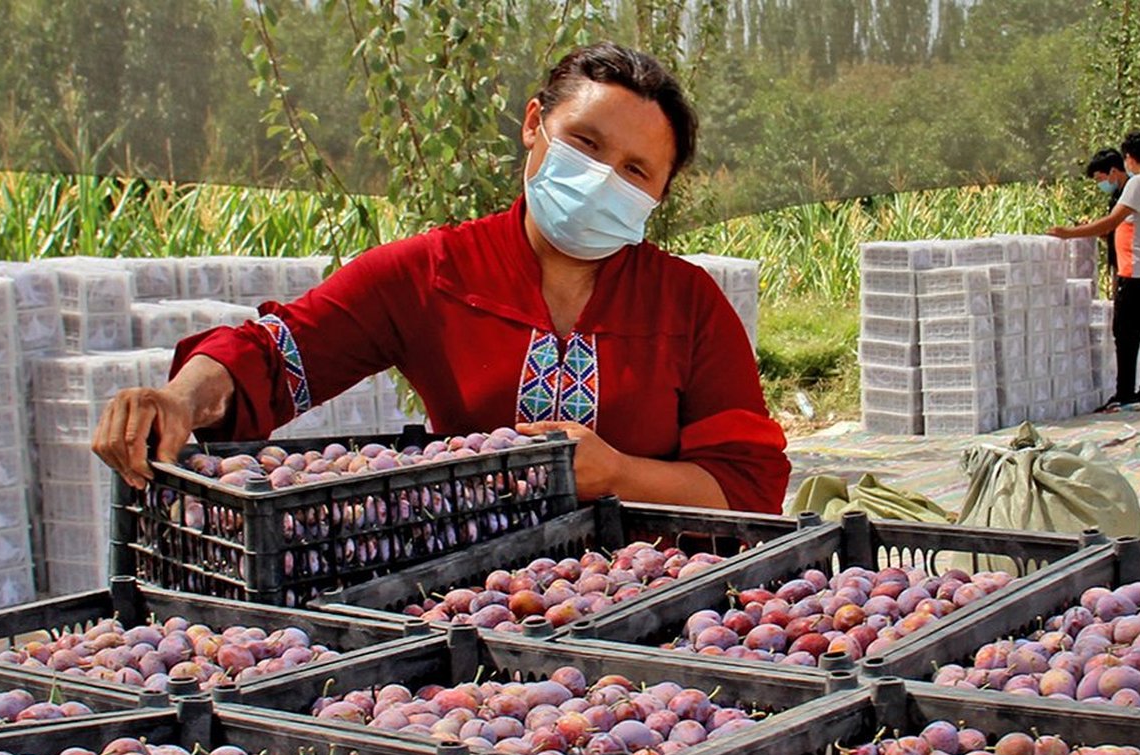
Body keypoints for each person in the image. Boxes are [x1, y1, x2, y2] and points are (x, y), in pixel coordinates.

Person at [91, 43, 790, 513]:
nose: (603, 178)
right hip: (467, 595)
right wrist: (180, 396)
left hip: (656, 600)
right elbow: (277, 352)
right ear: (533, 124)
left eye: (635, 170)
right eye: (584, 143)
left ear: (658, 196)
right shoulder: (431, 273)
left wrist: (622, 476)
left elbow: (747, 485)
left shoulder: (687, 304)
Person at [1049, 131, 1140, 409]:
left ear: (1130, 158)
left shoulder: (1138, 184)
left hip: (1136, 271)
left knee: (1126, 334)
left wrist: (1068, 233)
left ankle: (1125, 393)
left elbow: (1112, 223)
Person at [1085, 148, 1126, 279]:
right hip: (1118, 262)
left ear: (1113, 171)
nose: (1100, 184)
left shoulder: (1131, 193)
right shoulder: (1115, 196)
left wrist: (1072, 232)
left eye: (1100, 179)